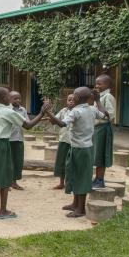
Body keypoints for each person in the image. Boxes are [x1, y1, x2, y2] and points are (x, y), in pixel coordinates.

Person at [0, 87, 49, 219]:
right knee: (5, 178)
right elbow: (28, 126)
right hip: (2, 144)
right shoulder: (8, 112)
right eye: (8, 96)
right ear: (4, 98)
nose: (10, 98)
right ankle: (3, 211)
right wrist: (41, 113)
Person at [46, 86, 108, 217]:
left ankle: (81, 209)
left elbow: (62, 124)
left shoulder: (75, 112)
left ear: (77, 98)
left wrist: (48, 113)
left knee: (81, 177)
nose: (72, 97)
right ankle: (75, 203)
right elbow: (105, 115)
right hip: (85, 148)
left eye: (73, 95)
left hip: (80, 149)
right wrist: (97, 100)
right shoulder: (92, 109)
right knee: (75, 174)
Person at [92, 75, 116, 188]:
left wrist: (97, 100)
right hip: (97, 128)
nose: (97, 86)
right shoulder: (99, 96)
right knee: (96, 154)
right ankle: (96, 178)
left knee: (101, 154)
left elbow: (109, 115)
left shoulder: (108, 97)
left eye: (100, 84)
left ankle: (100, 180)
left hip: (104, 128)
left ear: (107, 85)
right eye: (96, 83)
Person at [52, 94, 75, 190]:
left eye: (73, 100)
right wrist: (50, 117)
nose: (71, 102)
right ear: (66, 101)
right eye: (69, 100)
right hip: (63, 140)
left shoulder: (78, 112)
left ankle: (71, 183)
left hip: (74, 142)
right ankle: (61, 183)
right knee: (61, 162)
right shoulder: (63, 111)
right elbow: (55, 120)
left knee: (72, 163)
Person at [8, 91, 28, 190]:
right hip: (8, 139)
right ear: (9, 99)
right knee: (7, 162)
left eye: (19, 98)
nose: (18, 100)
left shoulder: (22, 110)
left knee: (17, 161)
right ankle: (6, 183)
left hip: (18, 138)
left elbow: (27, 122)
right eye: (15, 98)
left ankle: (14, 182)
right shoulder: (7, 109)